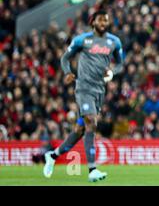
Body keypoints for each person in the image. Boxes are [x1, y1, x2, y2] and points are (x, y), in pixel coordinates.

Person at [43, 10, 124, 182]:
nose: (103, 23)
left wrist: (112, 72)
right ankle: (92, 169)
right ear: (93, 22)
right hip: (83, 88)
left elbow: (120, 64)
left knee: (80, 130)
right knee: (92, 122)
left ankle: (53, 155)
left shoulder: (114, 41)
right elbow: (65, 58)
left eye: (106, 21)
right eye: (100, 20)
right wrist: (67, 72)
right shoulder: (82, 40)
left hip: (99, 90)